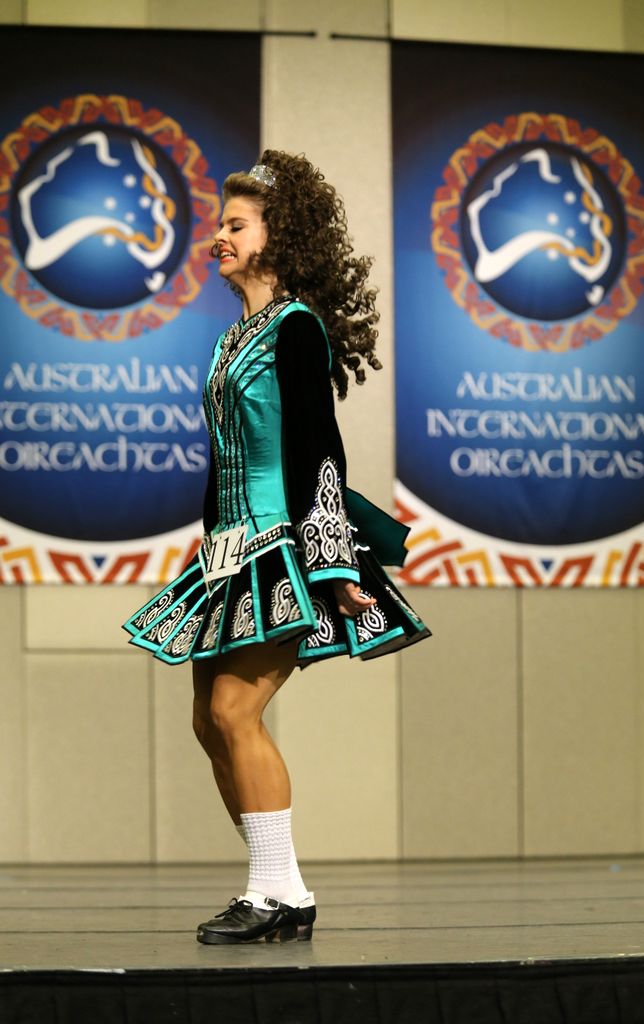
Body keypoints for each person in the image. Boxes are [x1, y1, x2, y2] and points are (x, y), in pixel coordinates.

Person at [123, 151, 430, 944]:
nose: (217, 238)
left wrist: (331, 565)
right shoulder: (233, 337)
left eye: (236, 225)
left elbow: (317, 452)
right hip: (230, 551)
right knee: (209, 722)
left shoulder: (295, 327)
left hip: (282, 543)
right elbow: (221, 458)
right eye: (219, 225)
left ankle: (274, 894)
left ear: (279, 235)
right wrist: (207, 554)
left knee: (235, 709)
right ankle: (281, 889)